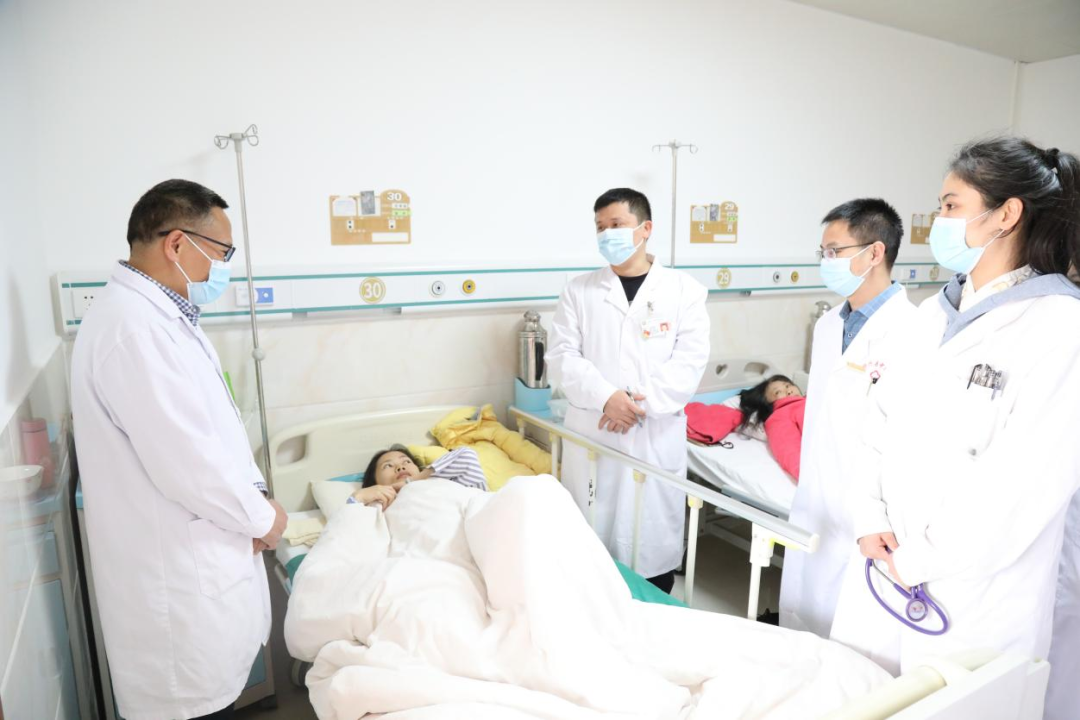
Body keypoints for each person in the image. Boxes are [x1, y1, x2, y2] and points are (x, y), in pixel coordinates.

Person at [827, 139, 1080, 697]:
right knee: (863, 696)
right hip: (883, 564)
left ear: (1006, 214)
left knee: (948, 702)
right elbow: (877, 426)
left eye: (950, 205)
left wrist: (918, 560)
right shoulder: (929, 316)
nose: (937, 221)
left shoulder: (1060, 329)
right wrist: (869, 517)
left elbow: (1024, 485)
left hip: (972, 597)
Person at [70, 179, 288, 720]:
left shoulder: (159, 318)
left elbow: (206, 438)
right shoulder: (134, 330)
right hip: (176, 602)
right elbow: (190, 466)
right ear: (176, 244)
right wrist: (265, 520)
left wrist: (253, 509)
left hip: (195, 572)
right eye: (222, 253)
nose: (224, 268)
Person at [547, 188, 710, 593]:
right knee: (590, 547)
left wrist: (635, 405)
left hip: (652, 433)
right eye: (600, 227)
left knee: (649, 545)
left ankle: (652, 609)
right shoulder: (578, 290)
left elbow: (689, 363)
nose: (607, 234)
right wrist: (607, 398)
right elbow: (562, 357)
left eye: (616, 224)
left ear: (645, 229)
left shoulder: (685, 291)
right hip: (595, 429)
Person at [779, 198, 917, 640]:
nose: (827, 261)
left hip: (868, 509)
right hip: (816, 492)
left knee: (850, 633)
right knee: (802, 614)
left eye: (835, 251)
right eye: (823, 252)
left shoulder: (912, 332)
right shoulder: (828, 325)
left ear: (875, 253)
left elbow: (904, 437)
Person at [350, 445, 488, 509]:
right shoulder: (380, 504)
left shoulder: (444, 480)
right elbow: (349, 537)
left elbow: (467, 456)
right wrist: (358, 497)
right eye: (388, 465)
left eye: (406, 462)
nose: (400, 467)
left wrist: (412, 481)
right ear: (374, 482)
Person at [736, 374, 805, 481]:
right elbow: (788, 450)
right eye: (778, 392)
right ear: (768, 404)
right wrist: (810, 479)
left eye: (787, 385)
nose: (789, 391)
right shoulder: (779, 417)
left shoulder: (816, 398)